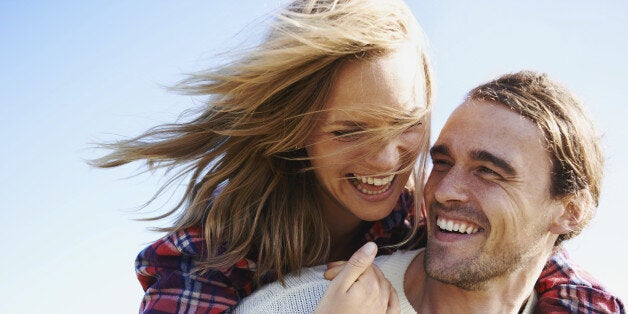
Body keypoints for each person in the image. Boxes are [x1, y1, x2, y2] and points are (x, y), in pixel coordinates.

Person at [93, 0, 432, 312]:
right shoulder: (211, 257)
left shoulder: (424, 222)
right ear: (294, 126)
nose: (388, 159)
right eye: (349, 131)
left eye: (408, 123)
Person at [234, 71, 625, 313]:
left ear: (570, 210)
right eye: (441, 162)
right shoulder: (297, 306)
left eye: (488, 172)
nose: (444, 191)